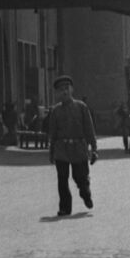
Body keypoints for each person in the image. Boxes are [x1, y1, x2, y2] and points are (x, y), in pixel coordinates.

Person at [45, 75, 98, 217]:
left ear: (72, 90)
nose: (64, 92)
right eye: (61, 90)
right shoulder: (55, 111)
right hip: (61, 149)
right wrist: (51, 152)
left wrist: (94, 148)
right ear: (56, 94)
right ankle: (64, 208)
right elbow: (53, 134)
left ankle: (85, 194)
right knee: (62, 180)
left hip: (78, 147)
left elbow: (89, 129)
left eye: (66, 89)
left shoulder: (81, 107)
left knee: (80, 177)